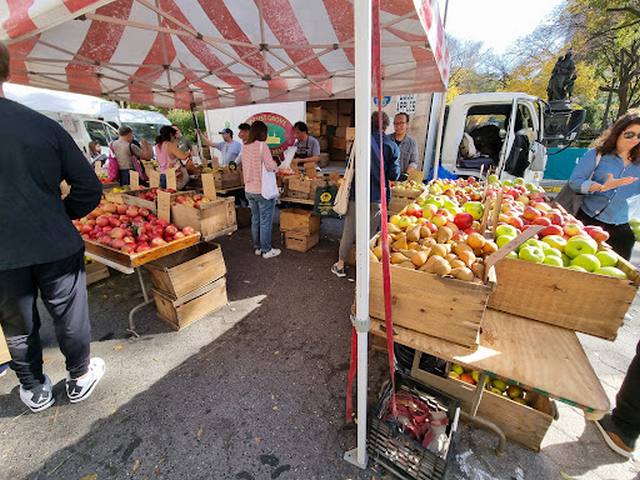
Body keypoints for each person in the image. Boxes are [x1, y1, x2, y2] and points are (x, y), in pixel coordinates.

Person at [0, 42, 105, 412]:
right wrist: (62, 214)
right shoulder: (43, 126)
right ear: (8, 72)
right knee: (68, 313)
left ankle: (35, 389)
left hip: (4, 254)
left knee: (16, 322)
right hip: (54, 241)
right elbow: (90, 187)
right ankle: (78, 376)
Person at [331, 112, 401, 277]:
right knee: (369, 234)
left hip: (357, 194)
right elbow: (394, 175)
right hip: (377, 196)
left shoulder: (360, 140)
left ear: (370, 124)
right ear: (386, 126)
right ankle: (363, 270)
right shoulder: (392, 146)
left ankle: (340, 264)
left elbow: (350, 163)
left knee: (349, 230)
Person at [568, 110, 640, 260]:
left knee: (615, 280)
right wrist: (601, 187)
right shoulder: (598, 155)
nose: (635, 140)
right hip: (586, 222)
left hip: (620, 229)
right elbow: (575, 182)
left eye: (639, 136)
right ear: (618, 132)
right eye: (630, 134)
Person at [241, 121, 281, 259]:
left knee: (256, 219)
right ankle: (266, 250)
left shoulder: (245, 146)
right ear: (262, 132)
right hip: (262, 190)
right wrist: (277, 166)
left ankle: (257, 247)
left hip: (249, 189)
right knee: (265, 221)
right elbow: (270, 166)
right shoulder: (262, 146)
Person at [155, 125, 191, 190]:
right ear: (170, 134)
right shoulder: (169, 144)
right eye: (174, 136)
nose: (174, 138)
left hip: (162, 175)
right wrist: (189, 153)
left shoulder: (157, 145)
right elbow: (183, 157)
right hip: (172, 176)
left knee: (166, 197)